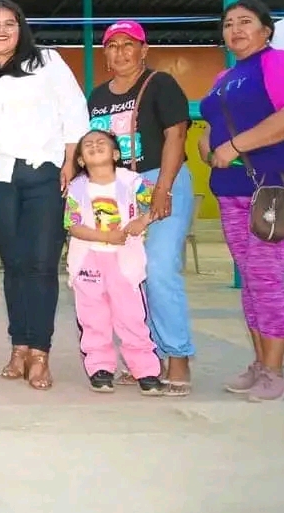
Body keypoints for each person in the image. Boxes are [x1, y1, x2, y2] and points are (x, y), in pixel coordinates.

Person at [0, 0, 89, 391]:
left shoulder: (48, 62)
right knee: (14, 264)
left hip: (44, 174)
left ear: (21, 29)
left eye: (9, 23)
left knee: (41, 263)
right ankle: (19, 346)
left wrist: (71, 161)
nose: (1, 31)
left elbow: (74, 111)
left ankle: (40, 352)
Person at [198, 0, 284, 403]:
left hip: (275, 188)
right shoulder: (224, 76)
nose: (235, 29)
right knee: (251, 280)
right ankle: (260, 364)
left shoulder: (279, 63)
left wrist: (233, 146)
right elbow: (212, 122)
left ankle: (276, 373)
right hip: (231, 189)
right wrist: (208, 143)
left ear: (266, 30)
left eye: (245, 21)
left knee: (266, 277)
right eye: (228, 23)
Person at [87, 20, 196, 395]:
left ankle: (177, 355)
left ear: (143, 49)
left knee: (160, 267)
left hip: (160, 180)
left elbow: (176, 135)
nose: (120, 52)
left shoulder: (160, 84)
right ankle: (145, 359)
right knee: (127, 276)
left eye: (128, 44)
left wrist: (163, 188)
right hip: (118, 190)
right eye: (112, 45)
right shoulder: (97, 96)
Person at [64, 130, 167, 396]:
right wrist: (106, 237)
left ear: (116, 154)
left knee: (131, 316)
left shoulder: (132, 182)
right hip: (88, 259)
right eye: (87, 145)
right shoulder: (77, 187)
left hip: (125, 261)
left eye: (101, 143)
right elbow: (73, 226)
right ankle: (100, 367)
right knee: (92, 316)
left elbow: (160, 203)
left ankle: (145, 369)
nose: (94, 146)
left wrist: (142, 221)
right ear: (81, 160)